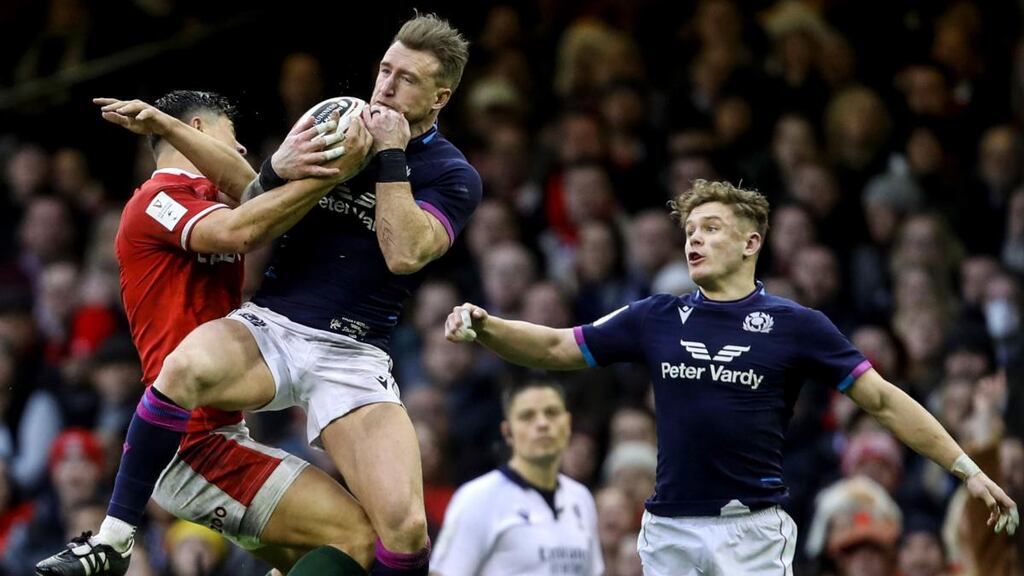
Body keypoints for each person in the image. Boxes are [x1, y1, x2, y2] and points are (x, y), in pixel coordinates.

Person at [45, 12, 480, 576]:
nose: (387, 87)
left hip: (353, 354)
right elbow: (250, 190)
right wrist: (265, 162)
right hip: (272, 325)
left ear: (440, 97)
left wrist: (391, 155)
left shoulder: (453, 175)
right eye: (384, 70)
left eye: (407, 79)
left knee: (404, 532)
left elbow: (404, 253)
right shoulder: (337, 122)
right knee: (184, 368)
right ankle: (115, 539)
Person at [443, 179, 1018, 575]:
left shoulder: (798, 325)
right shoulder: (654, 316)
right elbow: (555, 345)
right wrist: (487, 326)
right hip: (669, 530)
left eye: (712, 228)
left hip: (752, 532)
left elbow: (885, 402)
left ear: (751, 242)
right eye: (690, 230)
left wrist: (965, 468)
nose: (694, 238)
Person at [36, 89, 377, 576]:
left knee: (321, 561)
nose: (240, 148)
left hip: (216, 433)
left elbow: (257, 191)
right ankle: (112, 539)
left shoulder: (212, 197)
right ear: (196, 129)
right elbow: (242, 231)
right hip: (192, 443)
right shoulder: (155, 200)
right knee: (357, 537)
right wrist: (331, 175)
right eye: (231, 136)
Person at [429, 381, 603, 575]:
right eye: (527, 416)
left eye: (552, 413)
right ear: (507, 432)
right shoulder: (477, 498)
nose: (543, 424)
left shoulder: (581, 498)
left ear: (568, 423)